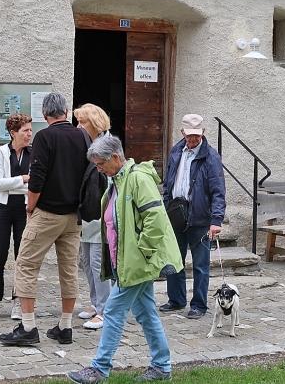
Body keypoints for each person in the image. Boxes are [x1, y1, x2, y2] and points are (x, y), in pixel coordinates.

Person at [67, 136, 183, 384]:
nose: (98, 169)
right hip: (126, 262)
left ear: (115, 157)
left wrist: (142, 253)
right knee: (146, 314)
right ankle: (162, 366)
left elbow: (155, 219)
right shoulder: (117, 182)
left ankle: (99, 369)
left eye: (100, 164)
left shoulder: (138, 179)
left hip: (136, 263)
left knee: (112, 311)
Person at [0, 92, 88, 346]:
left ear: (45, 114)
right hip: (73, 215)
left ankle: (28, 327)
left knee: (26, 264)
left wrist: (30, 207)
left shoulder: (44, 137)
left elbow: (36, 178)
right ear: (66, 111)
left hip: (48, 213)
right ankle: (65, 326)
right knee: (69, 270)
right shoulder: (82, 136)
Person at [159, 114, 226, 319]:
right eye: (189, 135)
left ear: (203, 133)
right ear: (182, 133)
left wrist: (216, 220)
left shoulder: (211, 157)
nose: (193, 139)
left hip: (200, 217)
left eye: (197, 135)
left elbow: (218, 191)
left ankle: (198, 305)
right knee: (174, 259)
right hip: (176, 213)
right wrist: (166, 204)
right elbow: (168, 182)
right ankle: (176, 300)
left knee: (200, 265)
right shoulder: (176, 151)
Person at [0, 113, 32, 320]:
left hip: (24, 209)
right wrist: (23, 179)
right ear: (13, 133)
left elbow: (36, 184)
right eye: (25, 130)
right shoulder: (1, 152)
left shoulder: (33, 153)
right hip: (1, 208)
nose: (29, 134)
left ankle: (18, 301)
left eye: (30, 130)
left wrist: (14, 184)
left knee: (22, 257)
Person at [73, 103, 112, 330]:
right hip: (89, 211)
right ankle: (96, 302)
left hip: (102, 212)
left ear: (95, 123)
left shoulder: (106, 144)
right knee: (87, 260)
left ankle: (105, 310)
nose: (79, 126)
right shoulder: (88, 143)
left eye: (82, 122)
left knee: (98, 262)